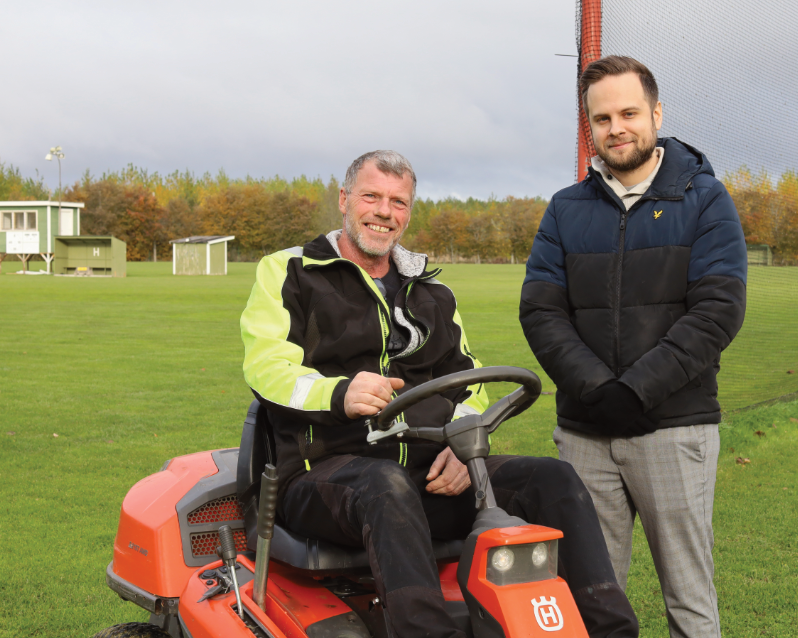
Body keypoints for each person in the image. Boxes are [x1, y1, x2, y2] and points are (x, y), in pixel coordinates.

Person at [241, 150, 638, 638]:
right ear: (344, 199)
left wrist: (459, 440)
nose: (384, 212)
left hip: (430, 474)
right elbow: (267, 367)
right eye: (371, 197)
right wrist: (339, 393)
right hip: (324, 474)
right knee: (386, 485)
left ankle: (611, 630)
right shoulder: (289, 272)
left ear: (408, 212)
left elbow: (468, 380)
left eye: (398, 202)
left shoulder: (433, 294)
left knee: (553, 479)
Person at [520, 56, 747, 638]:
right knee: (591, 598)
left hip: (674, 430)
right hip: (586, 432)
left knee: (689, 600)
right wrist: (599, 390)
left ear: (656, 113)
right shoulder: (566, 208)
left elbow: (717, 311)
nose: (616, 128)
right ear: (589, 128)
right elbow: (542, 312)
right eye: (602, 118)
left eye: (628, 113)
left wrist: (636, 391)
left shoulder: (707, 200)